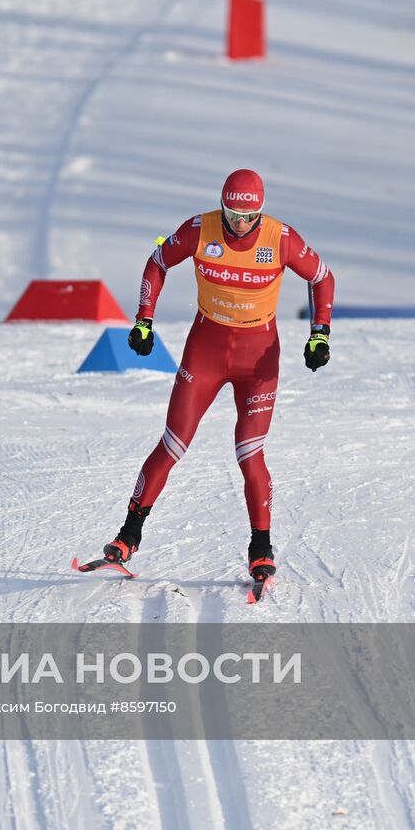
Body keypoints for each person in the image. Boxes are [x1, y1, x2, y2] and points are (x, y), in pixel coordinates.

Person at [103, 169, 335, 590]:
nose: (240, 224)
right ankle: (127, 536)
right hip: (207, 348)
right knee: (173, 442)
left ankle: (260, 548)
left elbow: (322, 277)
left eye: (249, 216)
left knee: (250, 452)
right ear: (222, 206)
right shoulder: (200, 229)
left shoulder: (281, 239)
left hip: (258, 358)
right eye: (233, 214)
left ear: (260, 211)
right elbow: (157, 263)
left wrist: (320, 332)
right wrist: (144, 320)